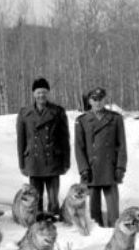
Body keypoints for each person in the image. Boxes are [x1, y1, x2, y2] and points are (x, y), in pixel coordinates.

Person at [16, 77, 70, 216]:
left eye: (44, 92)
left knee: (53, 199)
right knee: (35, 197)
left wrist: (66, 162)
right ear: (34, 94)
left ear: (48, 93)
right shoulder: (24, 113)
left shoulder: (58, 111)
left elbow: (65, 139)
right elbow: (21, 140)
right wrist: (22, 164)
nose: (41, 95)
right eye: (38, 92)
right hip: (34, 161)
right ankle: (38, 218)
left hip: (53, 160)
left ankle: (53, 218)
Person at [74, 87, 126, 228]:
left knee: (113, 210)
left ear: (105, 100)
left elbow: (122, 145)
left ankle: (114, 232)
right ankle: (96, 234)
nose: (98, 102)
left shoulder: (115, 118)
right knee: (93, 211)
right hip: (91, 170)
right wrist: (83, 169)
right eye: (94, 99)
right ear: (89, 101)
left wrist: (120, 167)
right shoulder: (82, 120)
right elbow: (79, 148)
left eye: (101, 99)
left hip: (110, 168)